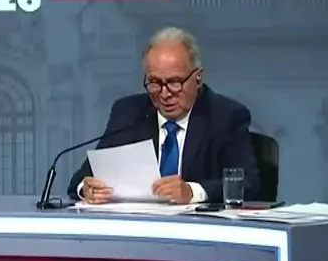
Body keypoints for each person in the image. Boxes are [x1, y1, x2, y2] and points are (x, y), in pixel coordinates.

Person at [67, 27, 259, 204]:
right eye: (155, 83)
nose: (165, 94)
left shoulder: (225, 116)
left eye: (175, 82)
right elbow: (80, 179)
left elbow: (249, 185)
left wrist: (192, 192)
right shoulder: (128, 113)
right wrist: (86, 188)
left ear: (198, 78)